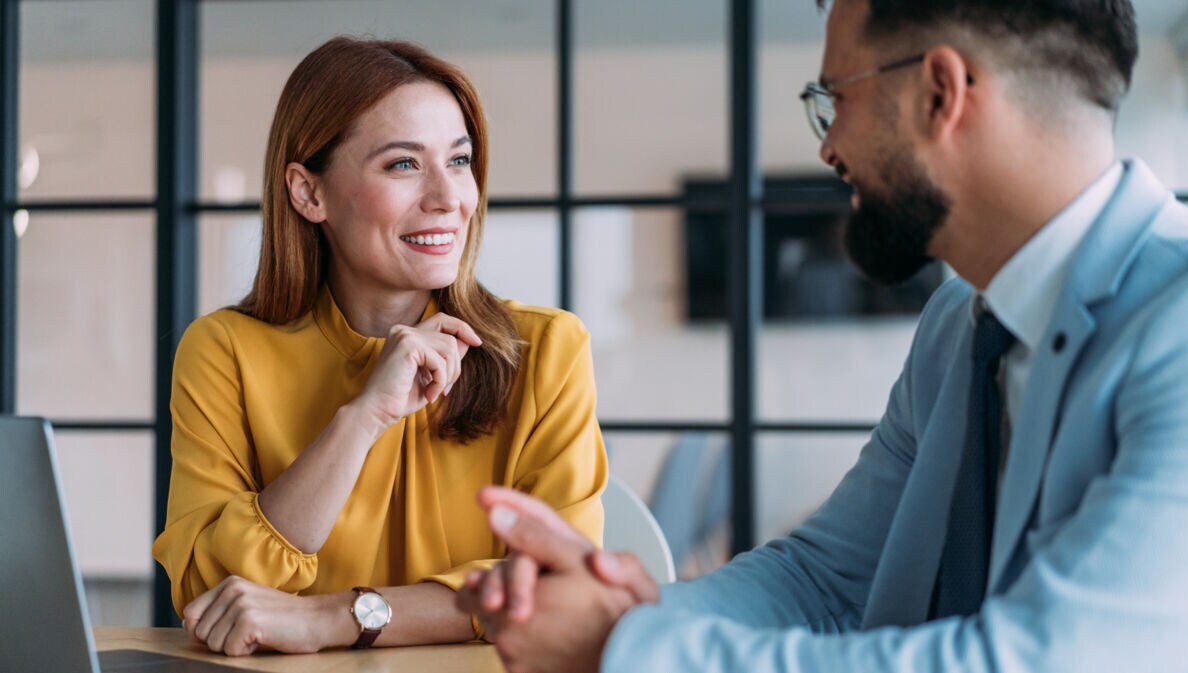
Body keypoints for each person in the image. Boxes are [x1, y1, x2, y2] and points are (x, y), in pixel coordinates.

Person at [457, 0, 1188, 671]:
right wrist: (627, 607)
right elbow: (828, 576)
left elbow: (1046, 659)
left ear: (941, 93)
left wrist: (628, 645)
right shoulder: (955, 325)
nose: (828, 146)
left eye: (835, 98)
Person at [151, 36, 607, 656]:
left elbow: (559, 590)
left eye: (459, 160)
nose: (450, 198)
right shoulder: (223, 351)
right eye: (403, 164)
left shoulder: (546, 351)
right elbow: (215, 596)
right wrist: (364, 418)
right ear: (309, 193)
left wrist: (336, 618)